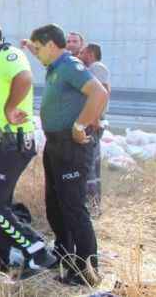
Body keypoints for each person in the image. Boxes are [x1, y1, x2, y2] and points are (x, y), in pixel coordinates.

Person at [0, 17, 57, 275]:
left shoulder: (9, 55)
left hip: (9, 144)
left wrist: (9, 108)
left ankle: (37, 252)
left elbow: (25, 77)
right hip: (1, 145)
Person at [27, 24, 107, 286]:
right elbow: (43, 55)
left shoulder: (69, 65)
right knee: (55, 205)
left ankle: (86, 270)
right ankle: (65, 255)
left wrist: (79, 125)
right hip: (55, 145)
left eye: (38, 49)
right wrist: (30, 47)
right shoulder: (55, 67)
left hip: (71, 145)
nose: (36, 54)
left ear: (51, 45)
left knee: (73, 207)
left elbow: (99, 93)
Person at [79, 43, 110, 217]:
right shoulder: (92, 68)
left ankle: (92, 206)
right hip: (91, 121)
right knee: (90, 164)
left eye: (82, 52)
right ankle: (92, 206)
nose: (80, 55)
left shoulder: (97, 68)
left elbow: (102, 93)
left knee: (88, 164)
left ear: (90, 54)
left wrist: (94, 117)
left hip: (92, 123)